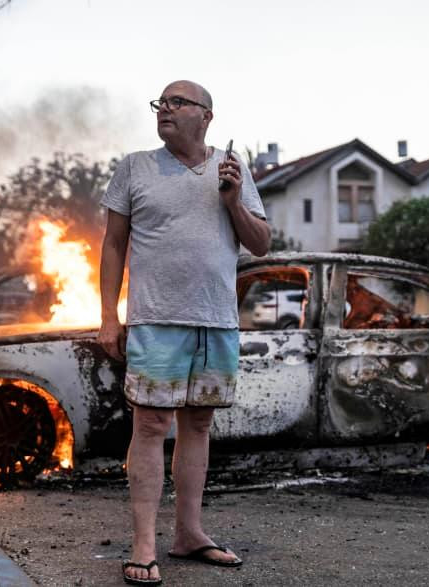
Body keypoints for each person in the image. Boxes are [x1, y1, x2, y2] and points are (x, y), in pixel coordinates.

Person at [97, 80, 270, 585]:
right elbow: (112, 246)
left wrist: (235, 200)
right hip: (155, 319)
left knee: (199, 426)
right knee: (150, 426)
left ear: (206, 116)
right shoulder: (135, 167)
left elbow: (259, 244)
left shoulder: (232, 169)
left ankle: (189, 533)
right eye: (160, 103)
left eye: (177, 102)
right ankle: (145, 543)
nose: (164, 109)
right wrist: (109, 315)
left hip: (216, 319)